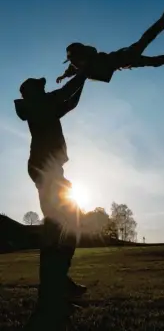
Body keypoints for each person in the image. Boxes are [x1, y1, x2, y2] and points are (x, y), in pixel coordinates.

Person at [14, 75, 88, 330]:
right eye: (41, 87)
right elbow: (66, 94)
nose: (46, 89)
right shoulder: (39, 104)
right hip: (46, 170)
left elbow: (69, 102)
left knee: (64, 227)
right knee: (61, 228)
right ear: (33, 92)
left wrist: (85, 78)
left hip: (50, 170)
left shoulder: (42, 103)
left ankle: (57, 286)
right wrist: (85, 72)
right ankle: (55, 290)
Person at [56, 7, 164, 84]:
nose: (74, 64)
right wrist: (63, 76)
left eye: (74, 60)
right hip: (124, 63)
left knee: (144, 42)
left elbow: (76, 67)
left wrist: (67, 74)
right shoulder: (79, 65)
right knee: (152, 61)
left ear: (81, 55)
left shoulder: (88, 60)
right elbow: (72, 69)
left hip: (122, 57)